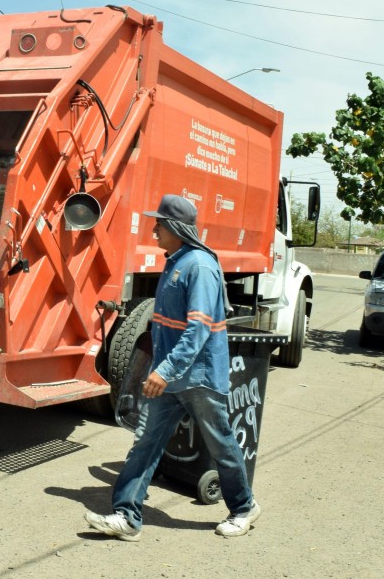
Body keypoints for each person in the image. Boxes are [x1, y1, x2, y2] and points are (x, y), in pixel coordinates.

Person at [85, 194, 260, 540]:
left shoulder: (200, 267)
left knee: (221, 445)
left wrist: (164, 371)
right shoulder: (174, 261)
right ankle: (127, 516)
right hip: (169, 379)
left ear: (176, 228)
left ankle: (244, 508)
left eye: (160, 225)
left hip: (199, 378)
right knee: (145, 443)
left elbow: (198, 330)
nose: (154, 230)